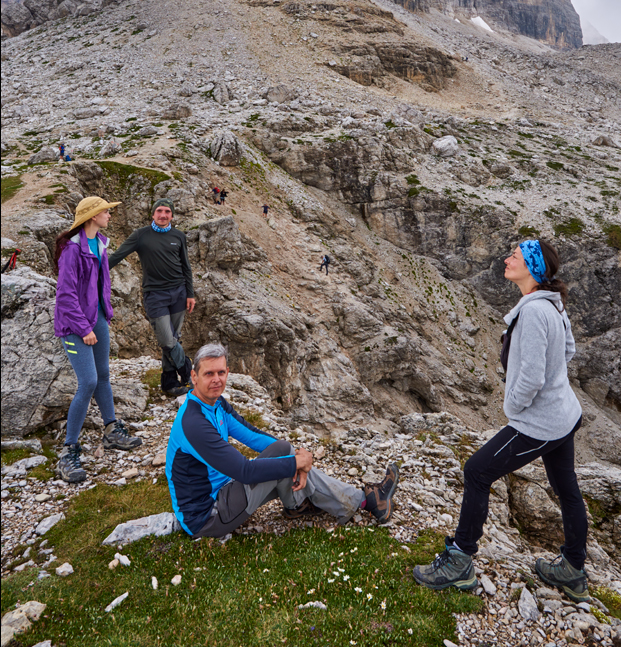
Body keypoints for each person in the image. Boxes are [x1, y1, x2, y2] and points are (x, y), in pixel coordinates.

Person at [413, 238, 589, 603]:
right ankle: (573, 570)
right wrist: (554, 384)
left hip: (539, 422)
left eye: (516, 256)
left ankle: (460, 561)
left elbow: (532, 377)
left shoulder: (536, 311)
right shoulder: (552, 304)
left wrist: (513, 410)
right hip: (564, 414)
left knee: (477, 470)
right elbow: (567, 350)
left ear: (533, 268)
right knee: (566, 489)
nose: (507, 259)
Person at [166, 343, 400, 538]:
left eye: (221, 372)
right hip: (207, 517)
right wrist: (296, 463)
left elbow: (253, 436)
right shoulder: (193, 422)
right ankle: (365, 501)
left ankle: (300, 505)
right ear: (194, 377)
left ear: (227, 372)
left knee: (283, 450)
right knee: (284, 459)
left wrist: (296, 453)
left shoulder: (216, 404)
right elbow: (244, 471)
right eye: (209, 374)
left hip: (225, 494)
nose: (216, 379)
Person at [53, 197, 142, 483]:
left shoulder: (99, 244)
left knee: (103, 375)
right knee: (88, 381)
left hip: (98, 319)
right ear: (92, 216)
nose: (110, 215)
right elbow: (65, 296)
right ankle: (68, 450)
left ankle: (111, 430)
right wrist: (83, 328)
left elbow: (101, 283)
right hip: (74, 325)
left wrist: (105, 314)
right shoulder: (72, 250)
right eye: (106, 211)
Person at [108, 199, 195, 398]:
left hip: (179, 293)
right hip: (155, 295)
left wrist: (190, 294)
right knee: (167, 339)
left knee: (172, 339)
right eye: (159, 211)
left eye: (167, 212)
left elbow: (186, 266)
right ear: (153, 214)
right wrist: (94, 271)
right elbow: (117, 256)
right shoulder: (141, 235)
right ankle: (189, 373)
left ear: (172, 215)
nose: (163, 215)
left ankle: (170, 384)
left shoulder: (178, 236)